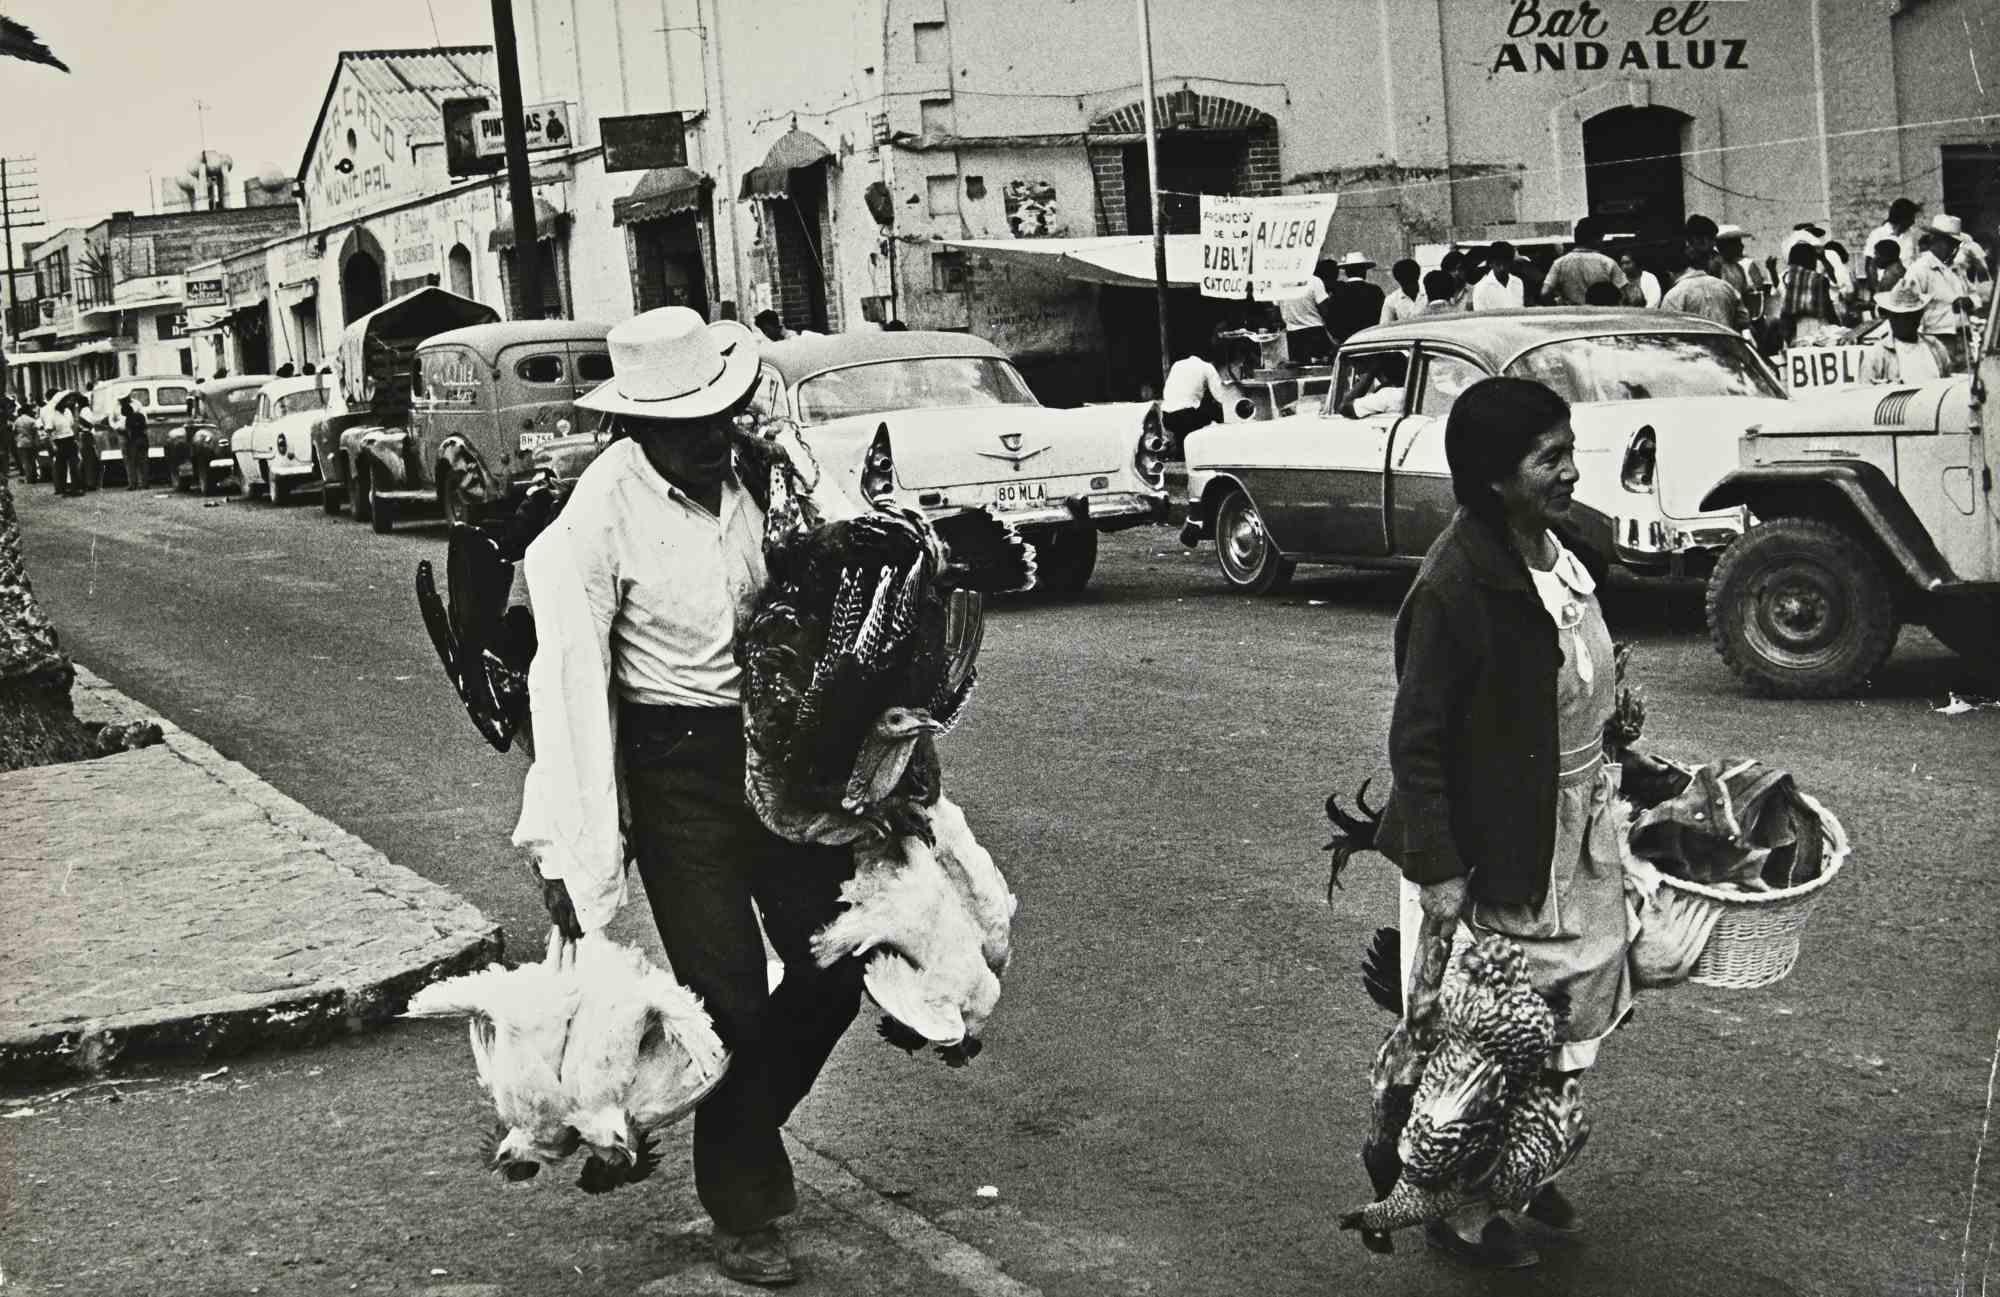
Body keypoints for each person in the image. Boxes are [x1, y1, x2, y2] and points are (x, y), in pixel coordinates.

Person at [513, 307, 863, 1289]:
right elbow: (568, 685)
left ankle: (710, 1124)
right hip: (677, 770)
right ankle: (744, 1203)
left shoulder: (777, 476)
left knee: (835, 969)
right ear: (637, 426)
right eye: (687, 424)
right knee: (729, 1006)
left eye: (722, 412)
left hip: (784, 748)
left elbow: (859, 571)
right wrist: (569, 843)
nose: (713, 436)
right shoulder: (596, 516)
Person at [1372, 375, 1630, 1270]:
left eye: (1568, 450)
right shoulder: (1454, 585)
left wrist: (1617, 737)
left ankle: (1521, 1162)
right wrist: (1440, 866)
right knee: (1484, 1035)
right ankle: (1461, 1204)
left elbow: (1571, 679)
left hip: (1573, 825)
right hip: (1498, 846)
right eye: (1548, 459)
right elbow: (1418, 739)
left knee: (1568, 1006)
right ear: (1492, 478)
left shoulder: (1559, 548)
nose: (1570, 471)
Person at [1902, 214, 1977, 372]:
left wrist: (1969, 302)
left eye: (1956, 245)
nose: (1954, 249)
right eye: (1949, 244)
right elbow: (1908, 307)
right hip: (1936, 338)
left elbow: (1975, 296)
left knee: (1967, 384)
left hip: (1962, 338)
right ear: (1936, 241)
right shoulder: (1920, 269)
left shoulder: (1958, 269)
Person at [1660, 217, 1746, 331]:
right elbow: (1742, 319)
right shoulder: (1725, 284)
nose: (1713, 244)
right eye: (1710, 239)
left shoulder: (1675, 295)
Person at [1160, 336, 1241, 448]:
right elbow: (1220, 396)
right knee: (1215, 414)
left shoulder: (1177, 364)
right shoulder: (1207, 367)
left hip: (1167, 415)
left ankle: (1180, 449)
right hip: (1186, 417)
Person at [1862, 281, 1950, 384]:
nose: (1903, 322)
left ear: (1919, 316)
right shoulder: (1878, 354)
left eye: (1910, 316)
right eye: (1897, 316)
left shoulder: (1935, 347)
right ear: (1890, 317)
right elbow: (1865, 393)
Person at [1542, 218, 1626, 306]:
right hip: (1601, 314)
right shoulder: (1608, 263)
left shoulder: (1559, 263)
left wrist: (1559, 307)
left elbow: (1545, 293)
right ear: (1596, 239)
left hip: (1571, 316)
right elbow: (1627, 294)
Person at [1777, 241, 1841, 348]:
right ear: (1811, 259)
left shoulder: (1787, 277)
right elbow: (1827, 310)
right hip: (1818, 327)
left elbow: (1786, 312)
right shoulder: (1819, 279)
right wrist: (1838, 327)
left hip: (1795, 328)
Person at [1321, 252, 1386, 345]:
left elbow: (1331, 321)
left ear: (1346, 272)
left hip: (1347, 343)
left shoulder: (1337, 293)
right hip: (1371, 340)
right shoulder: (1375, 291)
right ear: (1364, 271)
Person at [1281, 260, 1336, 364]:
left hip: (1293, 335)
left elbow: (1276, 313)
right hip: (1315, 332)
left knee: (1299, 371)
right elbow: (1325, 311)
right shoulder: (1314, 281)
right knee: (1321, 371)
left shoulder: (1280, 283)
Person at [1865, 197, 1923, 293]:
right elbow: (1870, 266)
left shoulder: (1911, 236)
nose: (1913, 222)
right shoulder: (1877, 234)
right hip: (1885, 287)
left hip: (1908, 288)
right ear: (1902, 218)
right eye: (1911, 217)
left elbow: (1915, 261)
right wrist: (1875, 290)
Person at [45, 394, 85, 497]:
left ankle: (75, 488)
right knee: (61, 466)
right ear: (59, 403)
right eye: (65, 402)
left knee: (74, 465)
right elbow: (49, 431)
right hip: (59, 441)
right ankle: (62, 489)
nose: (67, 403)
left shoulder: (68, 412)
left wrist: (76, 439)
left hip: (70, 440)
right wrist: (53, 444)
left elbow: (72, 425)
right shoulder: (52, 414)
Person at [1470, 242, 1524, 311]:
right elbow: (1481, 319)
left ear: (1511, 263)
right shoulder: (1481, 288)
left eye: (1505, 263)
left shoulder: (1518, 282)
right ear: (1490, 264)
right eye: (1498, 264)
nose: (1502, 268)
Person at [117, 396, 149, 491]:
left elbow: (129, 432)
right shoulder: (141, 416)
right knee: (144, 462)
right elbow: (145, 428)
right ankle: (145, 483)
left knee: (132, 463)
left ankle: (133, 484)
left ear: (126, 412)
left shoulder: (128, 419)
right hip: (143, 440)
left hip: (134, 442)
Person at [1380, 258, 1424, 325]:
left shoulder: (1430, 294)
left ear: (1418, 276)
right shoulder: (1391, 300)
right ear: (1398, 280)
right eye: (1405, 282)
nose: (1409, 286)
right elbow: (1385, 326)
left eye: (1411, 281)